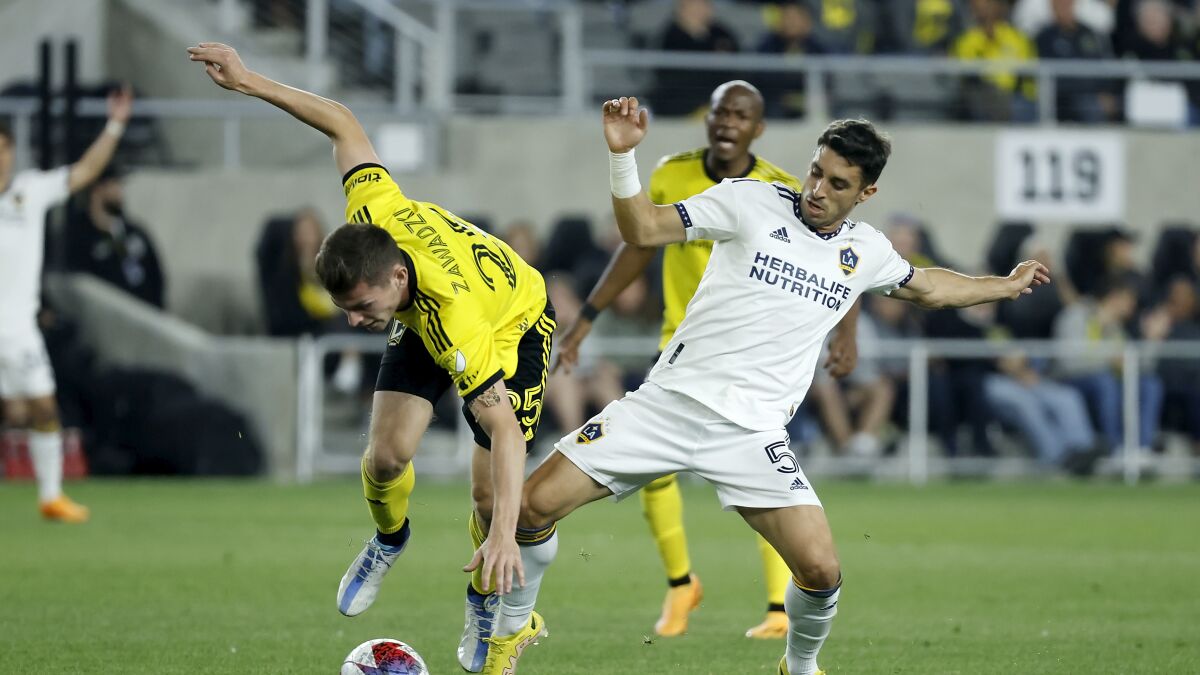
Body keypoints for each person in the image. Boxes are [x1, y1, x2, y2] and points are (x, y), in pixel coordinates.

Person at [473, 98, 1050, 675]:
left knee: (821, 571)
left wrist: (1001, 286)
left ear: (864, 194)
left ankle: (799, 666)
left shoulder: (865, 250)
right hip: (666, 407)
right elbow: (643, 228)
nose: (818, 189)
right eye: (817, 171)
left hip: (751, 435)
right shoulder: (749, 199)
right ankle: (513, 628)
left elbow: (928, 287)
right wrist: (623, 157)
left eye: (838, 183)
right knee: (527, 507)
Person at [187, 43, 555, 673]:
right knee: (386, 457)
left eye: (360, 307)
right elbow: (343, 122)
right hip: (427, 312)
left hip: (510, 325)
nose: (353, 322)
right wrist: (249, 82)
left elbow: (506, 435)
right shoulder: (374, 214)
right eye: (344, 309)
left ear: (393, 276)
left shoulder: (455, 321)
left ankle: (485, 600)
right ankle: (390, 540)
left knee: (492, 502)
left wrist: (500, 538)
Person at [554, 80, 861, 641]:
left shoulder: (785, 189)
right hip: (682, 348)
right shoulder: (673, 171)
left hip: (752, 362)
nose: (726, 123)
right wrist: (589, 315)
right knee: (652, 474)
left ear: (758, 128)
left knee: (761, 482)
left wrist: (847, 334)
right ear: (708, 119)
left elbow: (838, 260)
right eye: (719, 113)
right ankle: (679, 586)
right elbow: (640, 240)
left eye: (740, 115)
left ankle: (776, 605)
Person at [0, 85, 133, 524]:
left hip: (18, 328)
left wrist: (114, 124)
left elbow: (86, 170)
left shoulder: (29, 191)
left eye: (3, 149)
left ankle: (51, 496)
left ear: (13, 152)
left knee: (42, 409)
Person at [64, 166, 166, 308]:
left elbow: (157, 276)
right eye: (114, 184)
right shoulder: (81, 238)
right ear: (98, 190)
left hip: (145, 316)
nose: (120, 192)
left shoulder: (135, 232)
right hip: (108, 319)